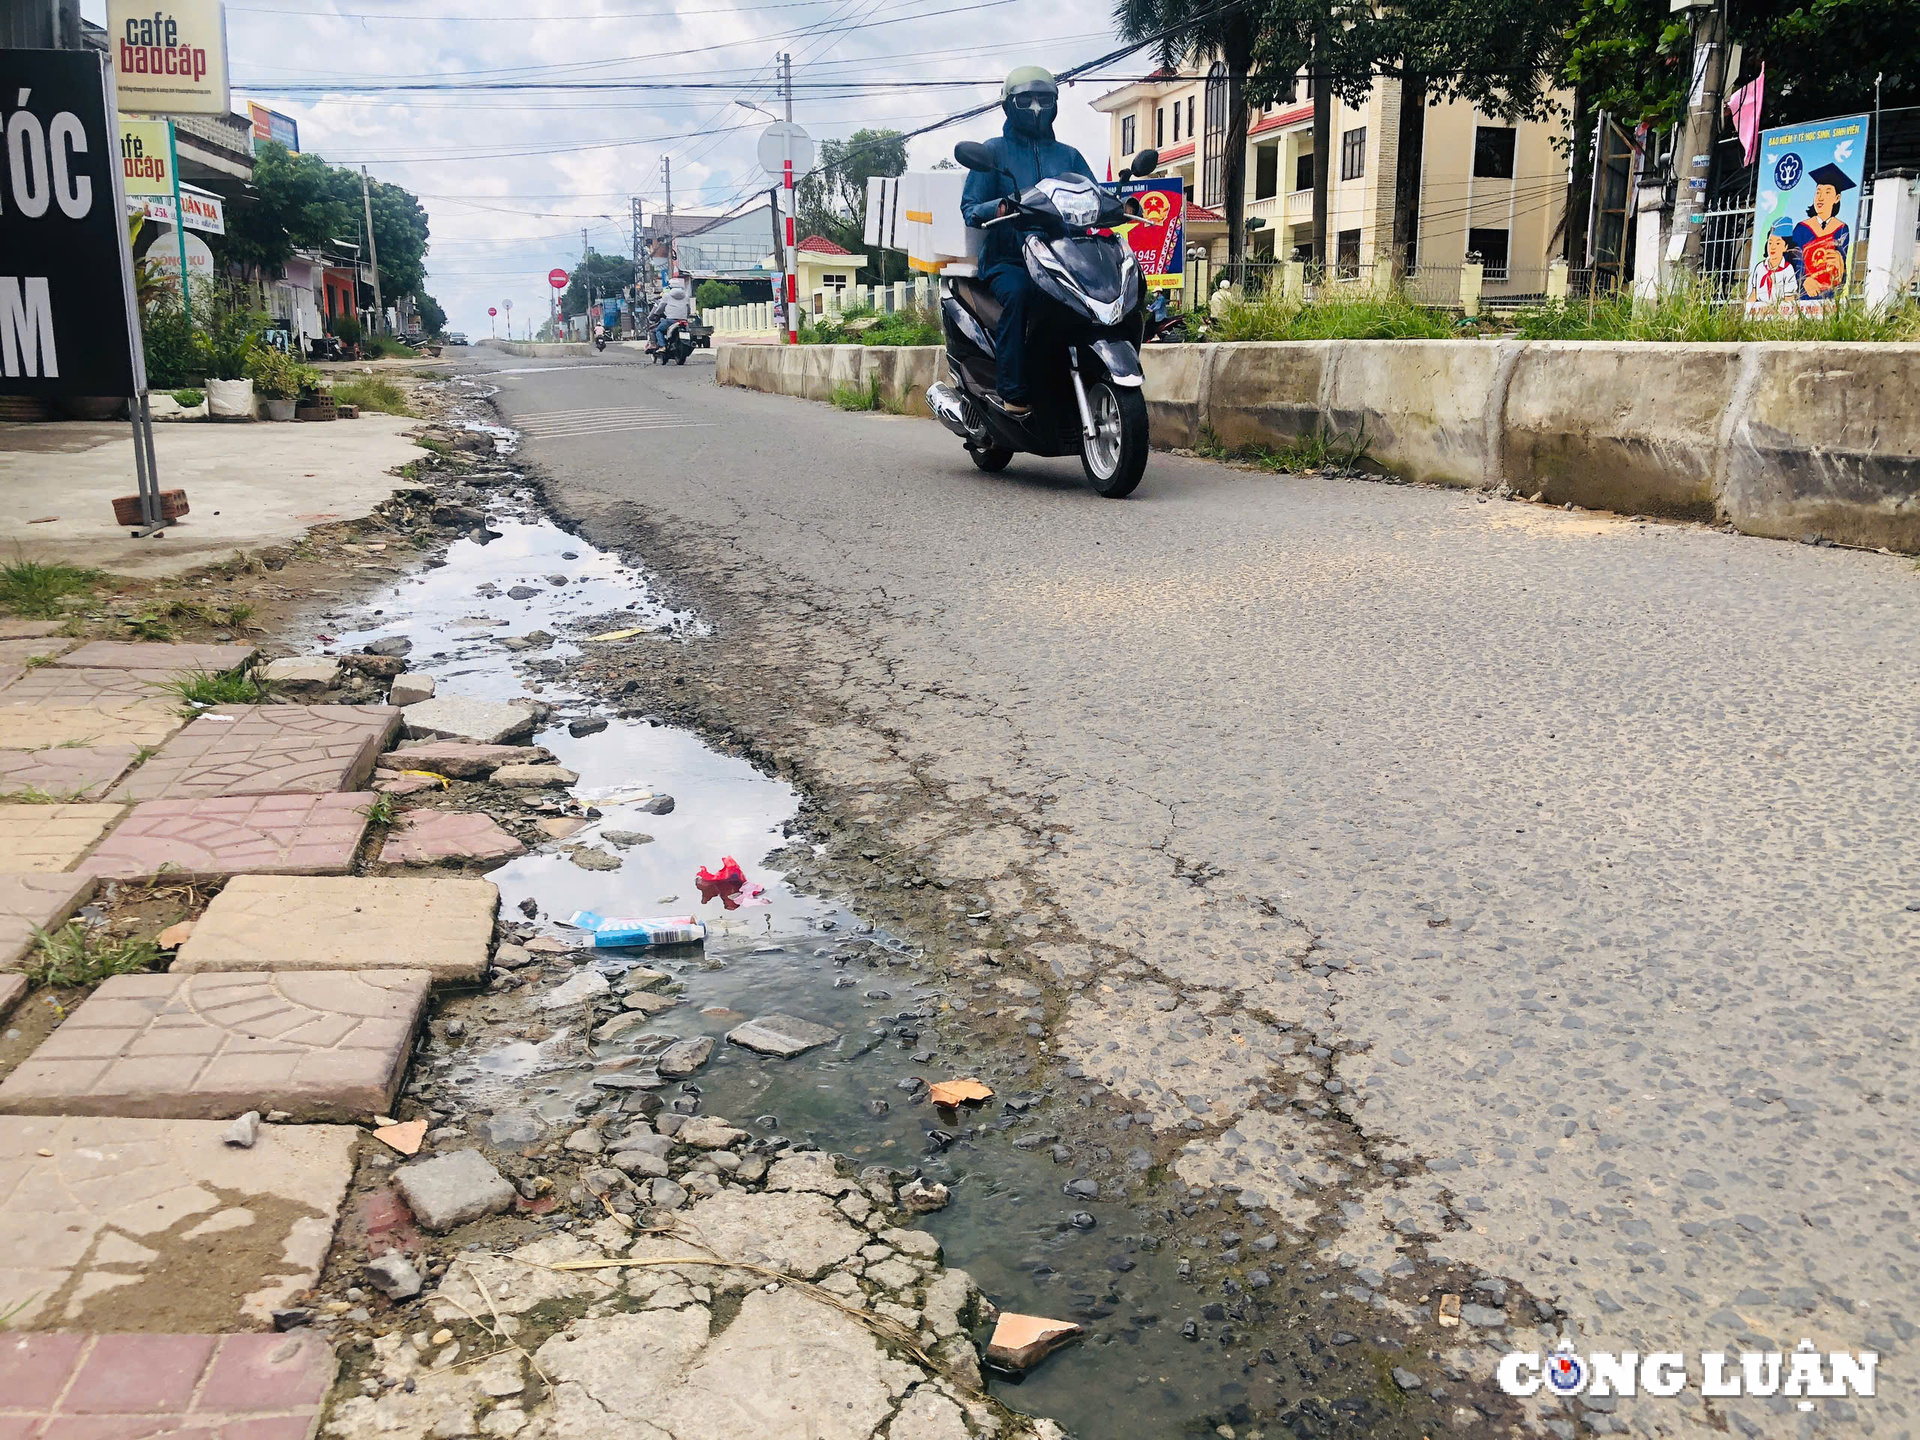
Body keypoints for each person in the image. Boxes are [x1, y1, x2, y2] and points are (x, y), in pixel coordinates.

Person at [960, 65, 1096, 415]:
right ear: (1009, 105)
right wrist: (1001, 206)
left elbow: (1092, 193)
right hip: (1009, 260)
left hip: (1061, 260)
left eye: (1044, 98)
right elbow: (970, 209)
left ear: (1055, 104)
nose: (1036, 106)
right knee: (1020, 296)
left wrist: (1117, 205)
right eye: (1026, 99)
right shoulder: (993, 152)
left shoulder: (1069, 156)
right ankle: (1013, 392)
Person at [1791, 163, 1855, 301]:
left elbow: (1842, 260)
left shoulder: (1842, 228)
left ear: (1837, 198)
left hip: (1829, 294)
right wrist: (1804, 280)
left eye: (1827, 192)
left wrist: (1839, 265)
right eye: (1818, 192)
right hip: (1805, 292)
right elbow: (1794, 259)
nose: (1820, 197)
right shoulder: (1802, 228)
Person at [1746, 218, 1803, 316]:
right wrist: (1747, 313)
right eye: (1770, 242)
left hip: (1779, 316)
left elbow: (1789, 299)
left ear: (1785, 247)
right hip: (1759, 315)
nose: (1772, 247)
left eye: (1777, 243)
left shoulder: (1788, 269)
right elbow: (1753, 294)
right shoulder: (1760, 267)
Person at [654, 278, 691, 348]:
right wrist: (686, 316)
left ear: (670, 286)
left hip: (671, 320)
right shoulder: (686, 297)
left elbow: (661, 307)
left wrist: (656, 313)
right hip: (683, 320)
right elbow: (688, 309)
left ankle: (662, 346)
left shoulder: (667, 295)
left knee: (659, 330)